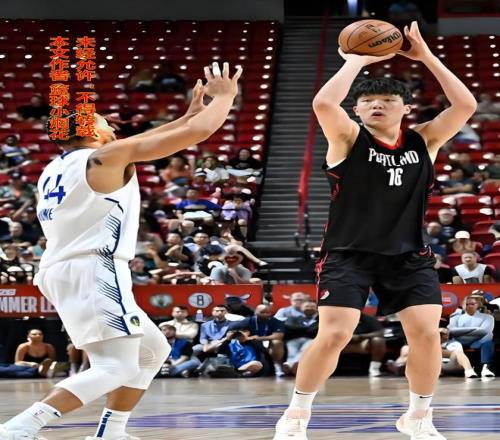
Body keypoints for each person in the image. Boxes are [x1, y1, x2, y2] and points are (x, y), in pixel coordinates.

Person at [0, 62, 242, 440]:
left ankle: (111, 432)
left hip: (64, 268)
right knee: (116, 367)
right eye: (102, 120)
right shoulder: (103, 158)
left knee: (151, 352)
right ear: (91, 132)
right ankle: (20, 428)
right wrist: (225, 97)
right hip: (94, 267)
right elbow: (198, 133)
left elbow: (144, 142)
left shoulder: (55, 167)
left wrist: (184, 117)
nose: (111, 124)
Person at [274, 21, 477, 440]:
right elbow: (324, 103)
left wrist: (427, 57)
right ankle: (296, 414)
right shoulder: (348, 139)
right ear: (358, 110)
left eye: (387, 100)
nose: (376, 105)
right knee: (334, 334)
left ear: (406, 108)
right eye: (367, 101)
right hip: (348, 253)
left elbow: (465, 105)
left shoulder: (424, 140)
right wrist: (355, 61)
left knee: (427, 335)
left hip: (408, 253)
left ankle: (418, 417)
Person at [448, 296, 495, 378]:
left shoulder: (488, 317)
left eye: (472, 304)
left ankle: (486, 368)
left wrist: (461, 332)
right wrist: (475, 329)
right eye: (467, 304)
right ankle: (467, 369)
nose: (469, 306)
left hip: (478, 341)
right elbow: (452, 331)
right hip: (460, 342)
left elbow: (484, 331)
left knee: (488, 342)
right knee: (455, 345)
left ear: (477, 305)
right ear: (463, 305)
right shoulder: (455, 318)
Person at [233, 304, 286, 377]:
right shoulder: (249, 320)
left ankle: (277, 365)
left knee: (277, 342)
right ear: (256, 312)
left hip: (268, 342)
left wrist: (259, 338)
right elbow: (232, 329)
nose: (265, 314)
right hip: (251, 342)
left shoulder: (275, 321)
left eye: (268, 312)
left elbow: (278, 336)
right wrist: (245, 335)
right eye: (262, 312)